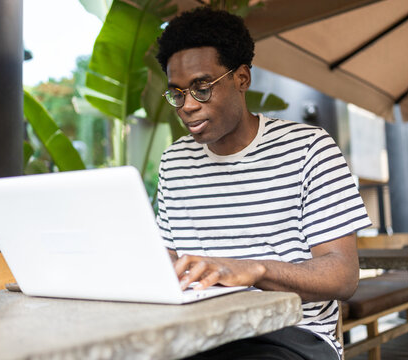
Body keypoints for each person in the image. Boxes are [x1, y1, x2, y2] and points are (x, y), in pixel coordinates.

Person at [155, 7, 371, 360]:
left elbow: (343, 275)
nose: (188, 106)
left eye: (202, 88)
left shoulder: (309, 148)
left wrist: (254, 269)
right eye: (178, 93)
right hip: (196, 333)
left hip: (286, 337)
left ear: (241, 78)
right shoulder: (174, 162)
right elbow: (167, 262)